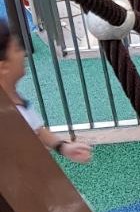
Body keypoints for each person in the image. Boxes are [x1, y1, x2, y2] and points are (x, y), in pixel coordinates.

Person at [0, 19, 92, 163]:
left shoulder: (16, 97)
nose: (23, 53)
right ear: (3, 67)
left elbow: (39, 130)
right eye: (17, 49)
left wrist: (62, 147)